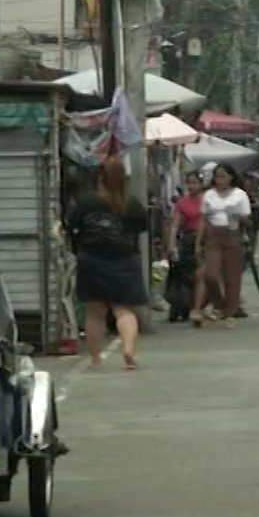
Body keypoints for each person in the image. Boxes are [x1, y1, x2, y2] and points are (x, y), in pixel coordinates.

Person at [67, 156, 148, 371]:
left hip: (92, 259)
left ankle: (95, 358)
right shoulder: (132, 203)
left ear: (100, 177)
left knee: (95, 312)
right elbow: (142, 228)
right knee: (124, 310)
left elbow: (72, 227)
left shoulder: (86, 202)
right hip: (124, 259)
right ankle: (129, 350)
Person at [197, 163, 252, 329]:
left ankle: (230, 312)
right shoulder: (209, 195)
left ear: (231, 177)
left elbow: (247, 221)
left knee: (231, 277)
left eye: (223, 176)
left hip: (232, 234)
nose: (220, 180)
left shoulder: (240, 195)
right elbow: (203, 220)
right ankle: (218, 304)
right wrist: (199, 241)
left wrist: (236, 214)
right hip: (213, 236)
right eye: (217, 176)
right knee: (210, 274)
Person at [166, 172, 205, 321]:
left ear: (201, 184)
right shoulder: (182, 203)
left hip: (206, 240)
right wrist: (171, 244)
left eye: (195, 183)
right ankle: (183, 304)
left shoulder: (207, 201)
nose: (191, 186)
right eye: (189, 183)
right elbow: (175, 225)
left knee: (201, 275)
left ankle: (200, 305)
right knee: (185, 274)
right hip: (188, 239)